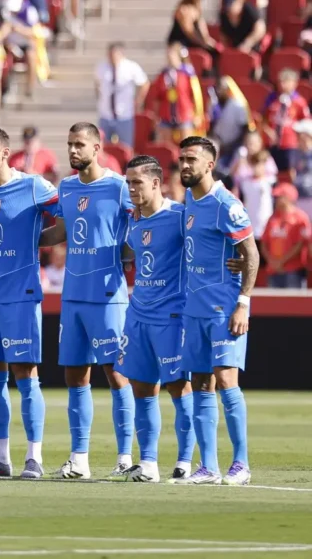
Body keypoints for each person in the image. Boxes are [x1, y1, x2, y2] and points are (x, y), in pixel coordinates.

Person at [0, 125, 58, 480]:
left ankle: (34, 457)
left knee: (25, 374)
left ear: (5, 153)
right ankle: (0, 458)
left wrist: (35, 240)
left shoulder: (34, 186)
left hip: (20, 295)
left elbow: (68, 218)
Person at [40, 122, 135, 480]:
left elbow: (143, 224)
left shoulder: (118, 187)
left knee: (117, 374)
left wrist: (130, 253)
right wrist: (25, 239)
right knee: (75, 376)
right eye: (69, 144)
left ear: (97, 148)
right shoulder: (66, 187)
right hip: (73, 296)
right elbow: (62, 231)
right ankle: (79, 458)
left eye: (79, 144)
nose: (72, 150)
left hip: (108, 297)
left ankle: (125, 457)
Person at [178, 136, 259, 486]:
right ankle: (208, 466)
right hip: (194, 307)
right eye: (182, 159)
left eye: (191, 160)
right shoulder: (189, 199)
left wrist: (243, 304)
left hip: (223, 307)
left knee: (226, 379)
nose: (184, 165)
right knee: (200, 382)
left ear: (209, 165)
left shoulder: (226, 204)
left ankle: (241, 464)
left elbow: (251, 254)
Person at [115, 155, 196, 483]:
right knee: (142, 388)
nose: (132, 188)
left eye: (137, 182)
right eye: (128, 182)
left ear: (156, 183)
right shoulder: (134, 221)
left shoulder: (179, 216)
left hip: (172, 316)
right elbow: (133, 253)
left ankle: (185, 462)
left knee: (179, 386)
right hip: (138, 314)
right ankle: (148, 463)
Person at [95, 42, 149, 148]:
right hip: (106, 115)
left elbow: (144, 83)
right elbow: (97, 84)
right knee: (103, 147)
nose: (112, 58)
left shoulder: (131, 67)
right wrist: (100, 98)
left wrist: (138, 101)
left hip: (124, 115)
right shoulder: (101, 67)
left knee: (126, 147)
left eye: (115, 54)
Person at [262, 183, 310, 289]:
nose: (277, 200)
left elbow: (300, 244)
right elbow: (264, 242)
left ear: (289, 198)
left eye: (280, 197)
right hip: (273, 270)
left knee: (294, 299)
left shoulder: (300, 218)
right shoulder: (273, 218)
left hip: (293, 270)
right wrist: (271, 261)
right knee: (273, 299)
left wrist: (281, 261)